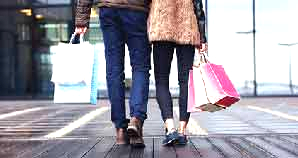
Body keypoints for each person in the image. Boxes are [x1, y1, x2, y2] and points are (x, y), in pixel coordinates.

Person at [75, 0, 151, 148]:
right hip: (137, 10)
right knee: (140, 67)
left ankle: (121, 130)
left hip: (109, 10)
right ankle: (136, 119)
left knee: (114, 69)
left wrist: (81, 19)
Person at [147, 0, 208, 145]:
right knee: (185, 81)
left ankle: (170, 129)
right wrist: (202, 37)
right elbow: (198, 7)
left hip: (162, 24)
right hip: (186, 24)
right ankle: (182, 131)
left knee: (161, 80)